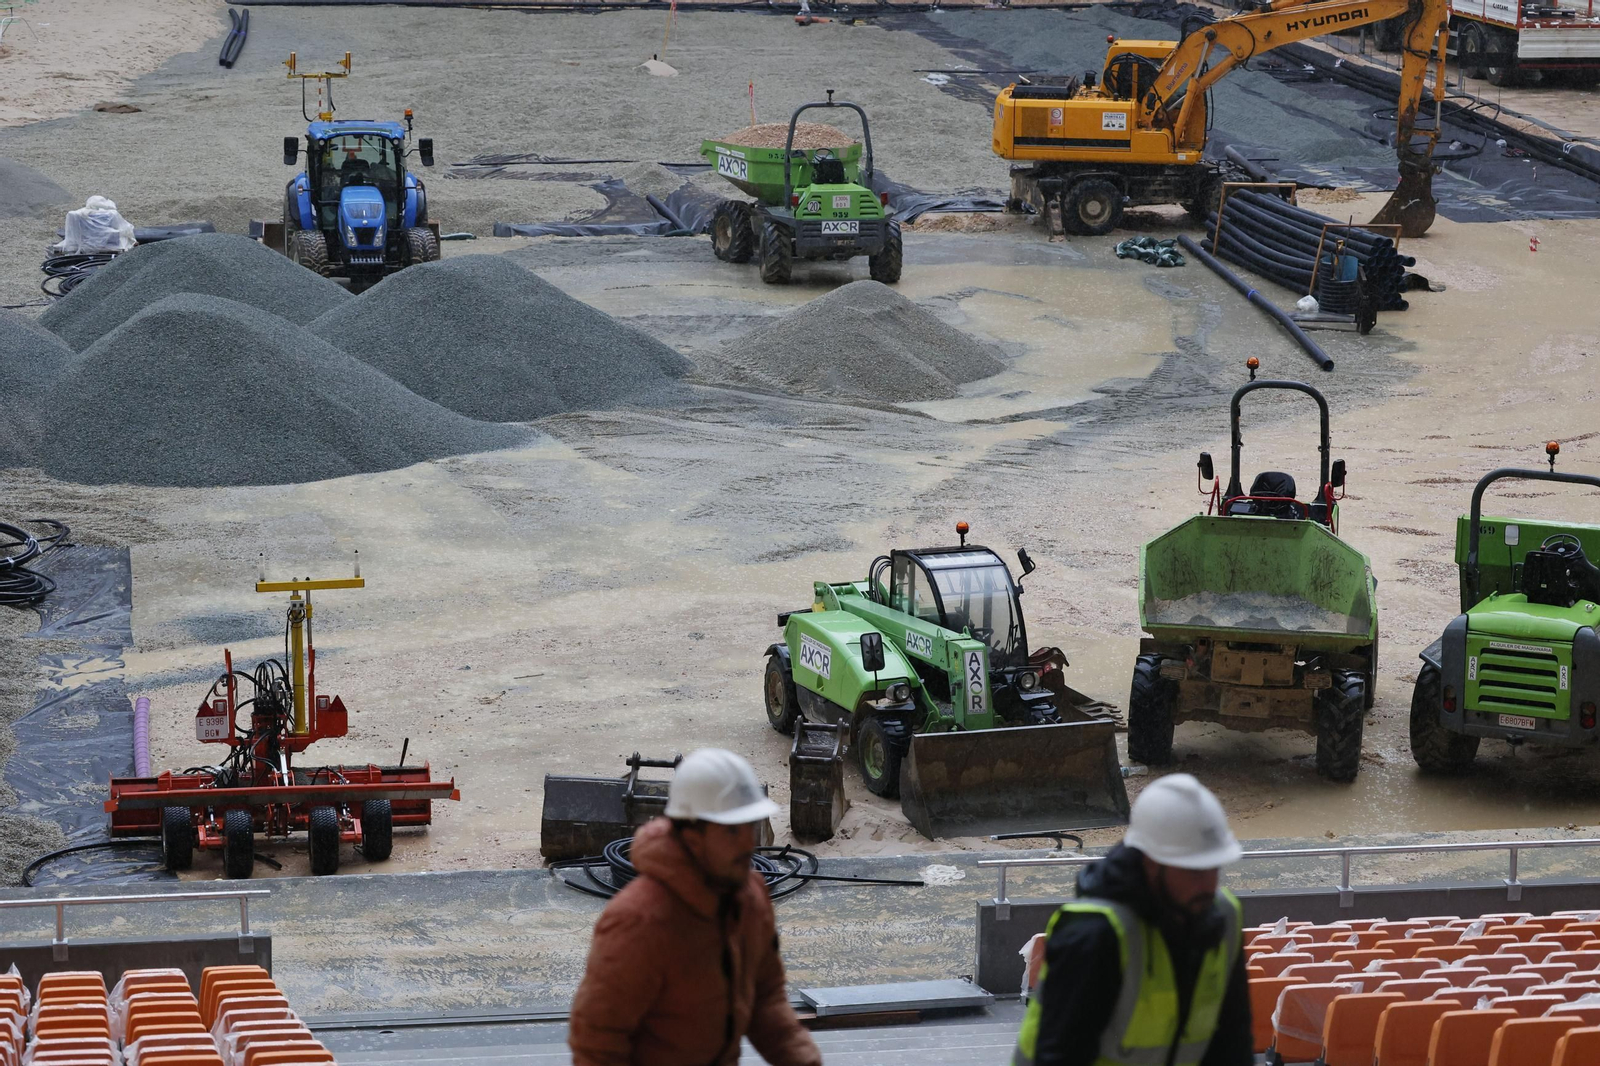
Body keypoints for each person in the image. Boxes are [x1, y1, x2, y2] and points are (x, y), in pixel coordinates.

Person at [568, 748, 823, 1066]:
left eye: (749, 826)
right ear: (691, 836)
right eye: (731, 830)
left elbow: (765, 999)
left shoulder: (750, 897)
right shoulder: (639, 921)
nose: (747, 843)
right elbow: (597, 1045)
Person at [1013, 773, 1252, 1066]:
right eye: (1193, 871)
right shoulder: (1096, 936)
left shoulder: (1223, 918)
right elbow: (1058, 1056)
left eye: (1214, 867)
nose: (1208, 884)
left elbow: (1233, 1041)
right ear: (1150, 862)